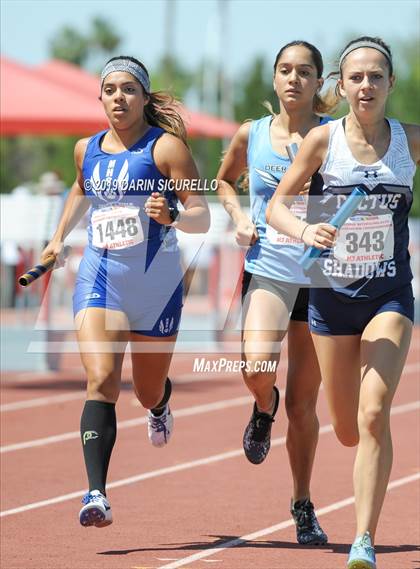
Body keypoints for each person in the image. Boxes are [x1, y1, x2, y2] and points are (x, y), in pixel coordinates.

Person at [266, 36, 419, 569]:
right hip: (331, 300)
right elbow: (277, 209)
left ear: (391, 83)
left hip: (389, 296)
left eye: (376, 76)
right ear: (342, 85)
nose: (366, 86)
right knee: (349, 429)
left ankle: (363, 540)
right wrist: (306, 232)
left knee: (375, 413)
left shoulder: (409, 140)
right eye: (356, 77)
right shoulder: (322, 142)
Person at [41, 56, 210, 528]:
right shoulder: (85, 149)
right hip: (100, 277)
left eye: (129, 89)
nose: (119, 97)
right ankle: (95, 492)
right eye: (110, 89)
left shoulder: (168, 149)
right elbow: (80, 189)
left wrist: (173, 215)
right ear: (100, 97)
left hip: (155, 285)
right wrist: (58, 239)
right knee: (101, 380)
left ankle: (158, 404)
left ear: (143, 97)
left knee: (146, 388)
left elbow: (203, 213)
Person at [217, 41, 334, 545]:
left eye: (304, 72)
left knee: (304, 408)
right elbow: (223, 182)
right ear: (274, 79)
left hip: (322, 279)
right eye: (285, 70)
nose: (294, 79)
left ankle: (302, 504)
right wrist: (240, 216)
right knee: (255, 366)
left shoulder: (337, 137)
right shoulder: (253, 133)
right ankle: (262, 405)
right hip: (268, 267)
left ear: (319, 82)